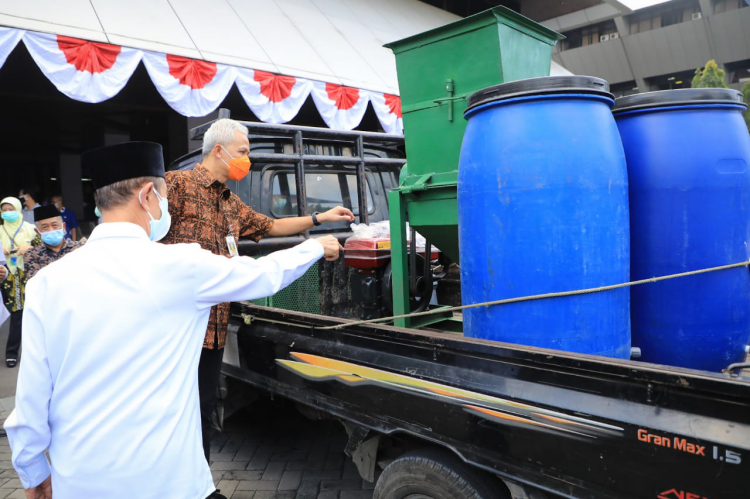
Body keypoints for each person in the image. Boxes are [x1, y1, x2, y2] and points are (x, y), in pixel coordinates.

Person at [4, 141, 341, 499]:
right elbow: (265, 274)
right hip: (168, 483)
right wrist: (316, 246)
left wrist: (33, 472)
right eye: (164, 196)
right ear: (148, 195)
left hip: (79, 483)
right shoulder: (181, 267)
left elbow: (31, 399)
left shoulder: (46, 284)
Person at [161, 118, 355, 490]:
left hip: (213, 329)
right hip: (174, 326)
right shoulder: (176, 186)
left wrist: (320, 217)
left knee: (201, 410)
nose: (246, 160)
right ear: (219, 150)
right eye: (244, 152)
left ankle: (198, 485)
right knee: (172, 411)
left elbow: (271, 226)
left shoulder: (232, 204)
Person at [0, 197, 40, 368]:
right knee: (13, 313)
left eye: (11, 209)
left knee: (25, 314)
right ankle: (12, 352)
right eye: (4, 210)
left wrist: (29, 248)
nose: (8, 213)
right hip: (5, 274)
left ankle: (16, 353)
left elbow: (44, 248)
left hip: (27, 274)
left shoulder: (30, 228)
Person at [24, 205, 84, 281]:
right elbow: (36, 283)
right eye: (45, 227)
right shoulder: (32, 254)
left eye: (54, 225)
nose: (51, 230)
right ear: (37, 232)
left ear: (63, 227)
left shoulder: (80, 248)